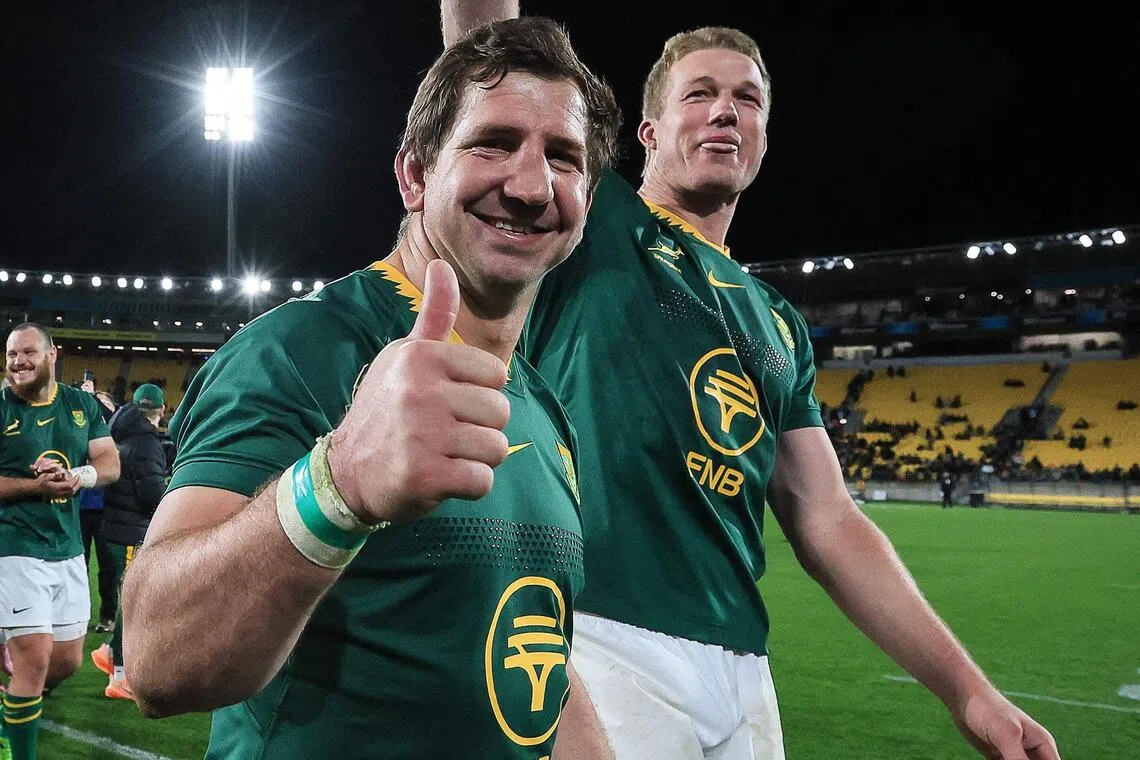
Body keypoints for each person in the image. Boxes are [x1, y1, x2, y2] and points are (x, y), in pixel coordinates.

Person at [442, 5, 1059, 760]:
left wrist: (967, 688)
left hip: (741, 664)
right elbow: (486, 56)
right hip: (598, 631)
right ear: (648, 134)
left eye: (747, 99)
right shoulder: (597, 226)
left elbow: (828, 519)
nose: (725, 109)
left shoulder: (779, 323)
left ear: (762, 137)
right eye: (698, 94)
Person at [123, 17, 620, 760]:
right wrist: (338, 483)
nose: (529, 185)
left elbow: (539, 657)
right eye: (493, 144)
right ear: (415, 175)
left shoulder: (546, 409)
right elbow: (156, 660)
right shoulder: (298, 351)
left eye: (564, 156)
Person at [0, 323, 120, 760]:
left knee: (66, 662)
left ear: (53, 355)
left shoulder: (80, 403)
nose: (18, 361)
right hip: (14, 546)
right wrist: (36, 489)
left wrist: (78, 478)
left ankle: (8, 711)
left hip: (66, 548)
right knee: (33, 658)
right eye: (12, 354)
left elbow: (109, 462)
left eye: (28, 352)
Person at [90, 384, 169, 701]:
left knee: (129, 599)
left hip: (113, 525)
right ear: (160, 411)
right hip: (130, 530)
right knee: (133, 603)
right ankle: (119, 674)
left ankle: (110, 652)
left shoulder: (118, 432)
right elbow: (151, 493)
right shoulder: (147, 443)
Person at [77, 378, 119, 634]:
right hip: (79, 508)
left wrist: (91, 398)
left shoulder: (115, 426)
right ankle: (76, 616)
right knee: (77, 565)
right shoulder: (83, 430)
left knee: (107, 569)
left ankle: (107, 616)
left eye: (104, 402)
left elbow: (106, 415)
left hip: (106, 509)